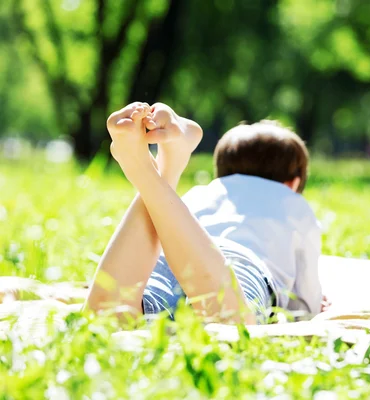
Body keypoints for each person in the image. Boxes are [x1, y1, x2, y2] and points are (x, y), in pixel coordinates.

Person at [83, 102, 326, 324]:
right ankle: (152, 170)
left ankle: (165, 170)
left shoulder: (203, 192)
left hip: (171, 256)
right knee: (230, 324)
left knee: (108, 318)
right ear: (292, 184)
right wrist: (313, 306)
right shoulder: (292, 203)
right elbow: (304, 302)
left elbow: (164, 227)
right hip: (243, 264)